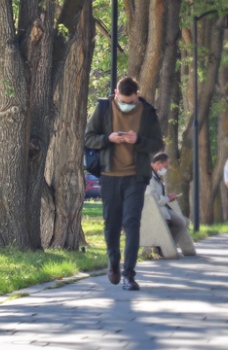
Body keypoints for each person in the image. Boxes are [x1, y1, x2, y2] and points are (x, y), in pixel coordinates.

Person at [84, 77, 164, 291]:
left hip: (135, 177)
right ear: (115, 93)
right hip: (109, 175)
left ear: (137, 95)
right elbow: (88, 138)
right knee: (111, 224)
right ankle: (113, 263)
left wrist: (138, 140)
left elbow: (158, 143)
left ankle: (129, 274)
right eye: (122, 100)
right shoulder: (103, 108)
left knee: (131, 223)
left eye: (130, 101)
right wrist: (108, 138)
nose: (126, 104)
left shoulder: (147, 112)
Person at [147, 153, 189, 253]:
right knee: (181, 222)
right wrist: (167, 198)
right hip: (153, 210)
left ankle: (166, 247)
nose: (166, 169)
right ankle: (165, 248)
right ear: (158, 163)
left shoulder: (154, 175)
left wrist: (168, 198)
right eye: (165, 166)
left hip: (160, 208)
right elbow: (152, 198)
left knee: (185, 222)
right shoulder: (149, 176)